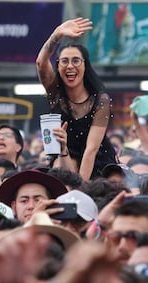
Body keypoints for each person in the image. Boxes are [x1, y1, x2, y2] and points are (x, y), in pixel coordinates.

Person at [36, 17, 117, 180]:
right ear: (58, 67)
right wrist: (56, 35)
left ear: (85, 66)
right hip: (64, 158)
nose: (70, 66)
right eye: (64, 61)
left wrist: (80, 188)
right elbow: (40, 62)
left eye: (76, 61)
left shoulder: (101, 100)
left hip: (97, 163)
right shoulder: (55, 93)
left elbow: (91, 150)